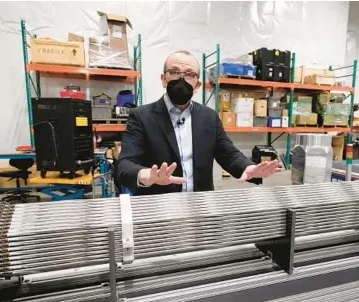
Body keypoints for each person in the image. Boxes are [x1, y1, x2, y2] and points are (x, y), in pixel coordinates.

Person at [117, 50, 282, 195]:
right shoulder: (141, 116)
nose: (181, 78)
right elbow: (124, 165)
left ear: (197, 85)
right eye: (174, 71)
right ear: (163, 79)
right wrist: (144, 175)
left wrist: (249, 168)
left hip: (200, 208)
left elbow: (229, 155)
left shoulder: (209, 117)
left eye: (189, 74)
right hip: (160, 209)